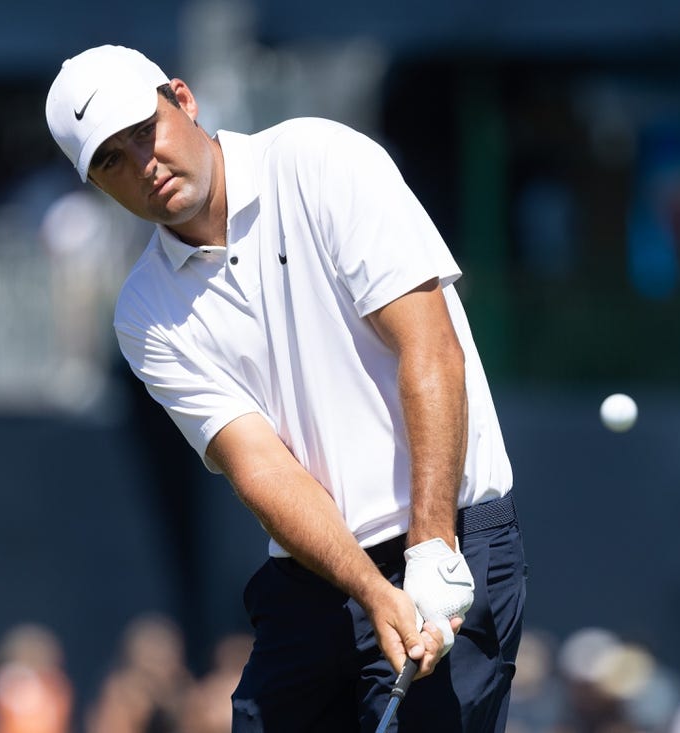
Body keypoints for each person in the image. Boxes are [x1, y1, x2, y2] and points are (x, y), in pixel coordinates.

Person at [45, 44, 527, 731]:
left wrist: (430, 547)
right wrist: (370, 587)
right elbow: (261, 466)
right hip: (319, 577)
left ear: (183, 99)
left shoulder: (320, 160)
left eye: (143, 131)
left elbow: (430, 348)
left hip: (451, 540)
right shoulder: (143, 309)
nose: (141, 164)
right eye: (111, 161)